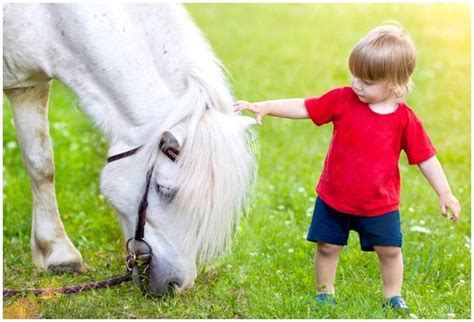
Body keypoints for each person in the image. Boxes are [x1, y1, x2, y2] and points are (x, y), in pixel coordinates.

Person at [233, 23, 461, 312]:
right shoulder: (343, 100)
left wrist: (445, 192)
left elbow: (426, 157)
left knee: (390, 251)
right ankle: (325, 292)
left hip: (380, 205)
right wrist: (265, 105)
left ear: (395, 83)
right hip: (334, 198)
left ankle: (392, 295)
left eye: (367, 81)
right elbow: (306, 106)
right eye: (355, 74)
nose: (357, 84)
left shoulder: (405, 119)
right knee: (327, 247)